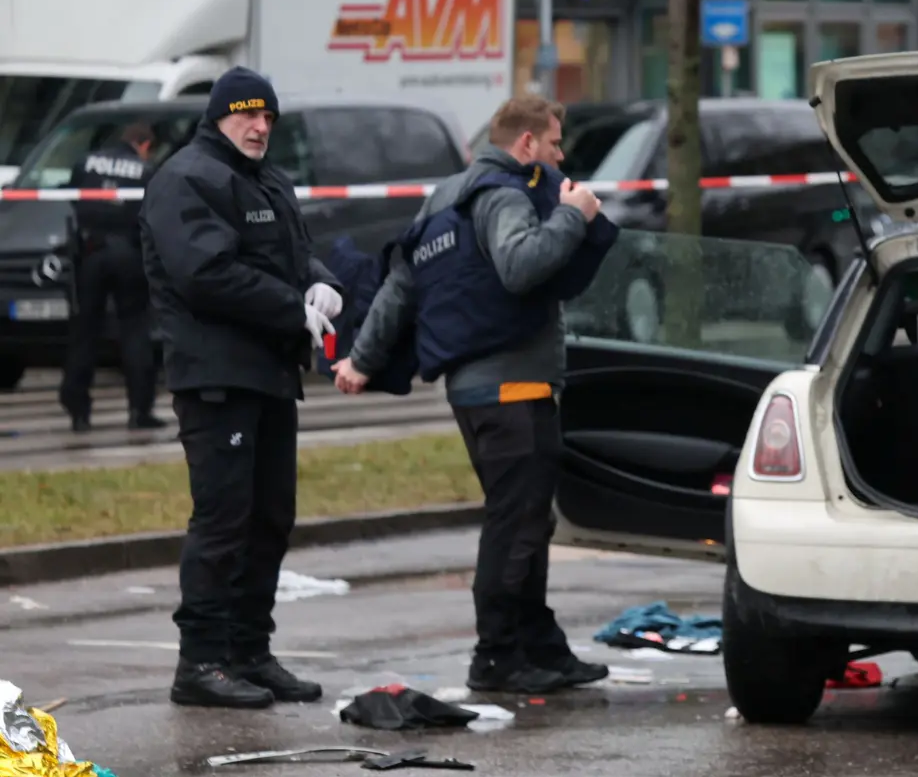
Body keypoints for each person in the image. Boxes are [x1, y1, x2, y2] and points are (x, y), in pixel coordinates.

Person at [336, 95, 617, 695]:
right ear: (525, 145)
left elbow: (399, 288)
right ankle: (495, 657)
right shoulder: (506, 195)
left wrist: (361, 360)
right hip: (510, 386)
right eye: (554, 143)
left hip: (480, 389)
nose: (561, 154)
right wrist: (573, 216)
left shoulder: (446, 197)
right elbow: (520, 265)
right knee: (515, 525)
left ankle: (539, 646)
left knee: (527, 522)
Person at [141, 68, 343, 710]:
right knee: (225, 520)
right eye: (247, 116)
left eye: (268, 118)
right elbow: (207, 275)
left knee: (269, 517)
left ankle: (248, 651)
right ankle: (200, 662)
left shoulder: (266, 180)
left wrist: (318, 282)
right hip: (217, 377)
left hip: (269, 375)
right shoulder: (186, 179)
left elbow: (291, 253)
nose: (259, 128)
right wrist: (290, 308)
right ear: (220, 117)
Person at [61, 121, 160, 433]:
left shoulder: (86, 162)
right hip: (129, 255)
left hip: (90, 253)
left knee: (84, 332)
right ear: (144, 145)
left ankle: (78, 412)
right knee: (135, 331)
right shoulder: (146, 171)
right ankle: (139, 411)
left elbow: (74, 201)